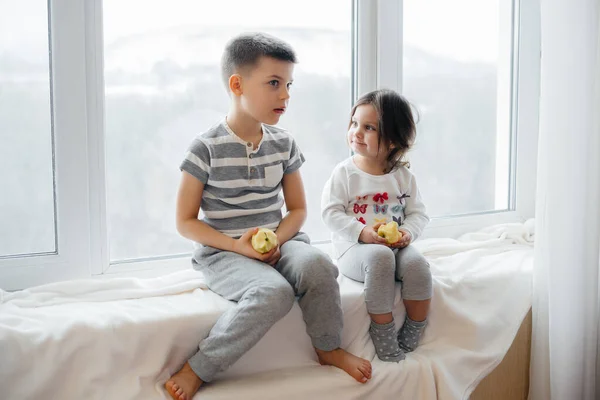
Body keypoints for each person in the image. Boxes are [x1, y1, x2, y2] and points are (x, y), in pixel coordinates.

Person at [165, 32, 371, 400]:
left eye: (288, 84)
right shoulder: (205, 148)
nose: (285, 95)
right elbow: (185, 221)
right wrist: (237, 246)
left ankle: (327, 347)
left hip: (281, 240)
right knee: (273, 292)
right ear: (237, 84)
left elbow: (298, 210)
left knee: (319, 266)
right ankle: (199, 367)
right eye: (274, 83)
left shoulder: (284, 143)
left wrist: (277, 238)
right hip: (224, 253)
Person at [321, 89, 432, 363]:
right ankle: (383, 333)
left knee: (418, 266)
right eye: (355, 123)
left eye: (368, 128)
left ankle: (414, 329)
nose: (356, 132)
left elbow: (418, 214)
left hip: (394, 248)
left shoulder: (403, 177)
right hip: (354, 250)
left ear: (393, 140)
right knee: (381, 257)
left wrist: (407, 232)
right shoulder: (345, 173)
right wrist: (362, 232)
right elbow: (330, 212)